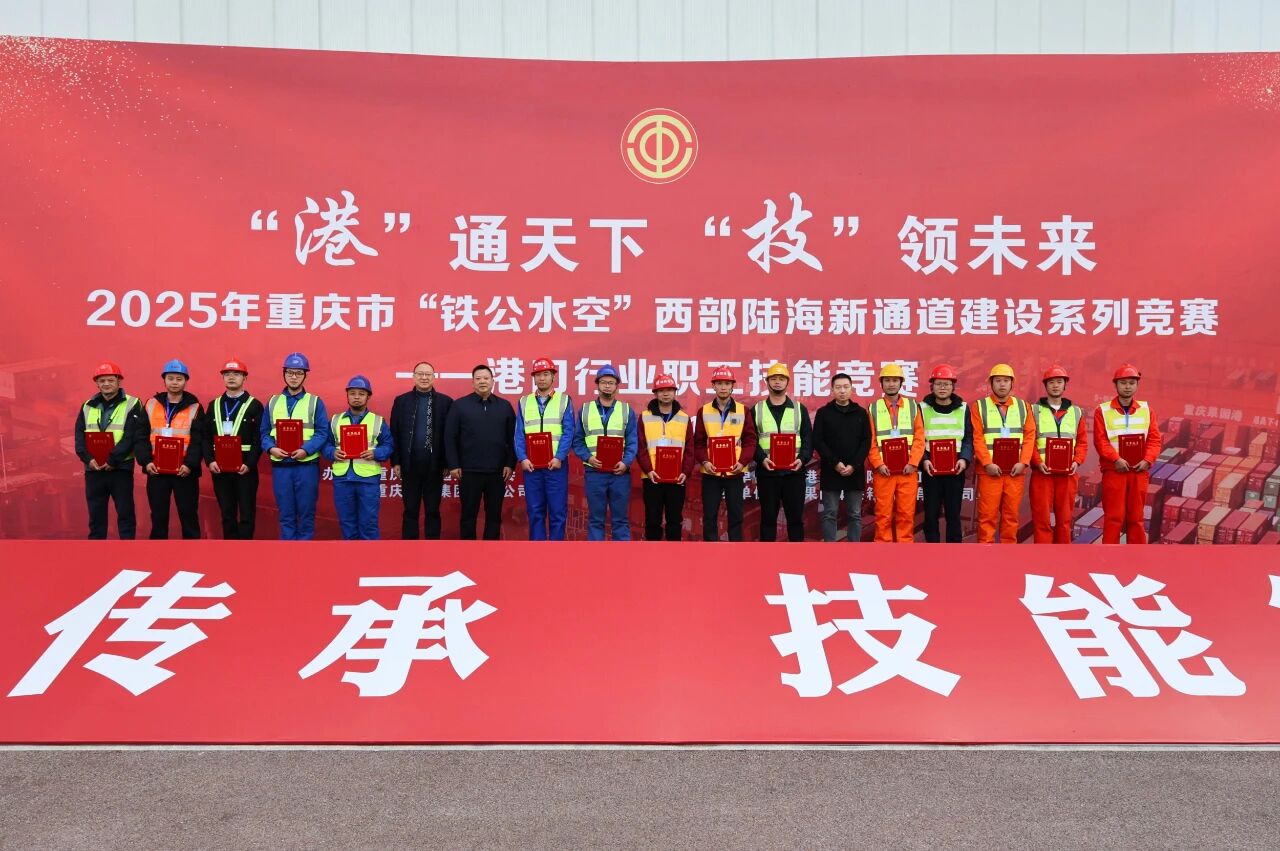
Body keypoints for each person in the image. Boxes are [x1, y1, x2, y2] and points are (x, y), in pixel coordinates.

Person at [261, 352, 331, 541]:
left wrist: (306, 450)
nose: (294, 377)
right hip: (281, 466)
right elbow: (264, 432)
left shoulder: (315, 402)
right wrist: (271, 448)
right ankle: (288, 551)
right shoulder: (273, 402)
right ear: (284, 374)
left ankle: (305, 552)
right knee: (285, 513)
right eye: (290, 372)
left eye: (299, 373)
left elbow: (322, 432)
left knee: (307, 513)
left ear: (305, 375)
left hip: (306, 466)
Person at [74, 360, 146, 540]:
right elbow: (79, 437)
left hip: (120, 468)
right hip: (93, 469)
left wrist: (112, 460)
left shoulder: (133, 403)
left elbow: (131, 436)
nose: (106, 384)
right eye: (102, 380)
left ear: (119, 381)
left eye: (110, 380)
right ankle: (96, 551)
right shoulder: (87, 406)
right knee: (96, 516)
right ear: (97, 383)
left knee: (125, 513)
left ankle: (127, 550)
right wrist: (88, 459)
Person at [444, 364, 516, 540]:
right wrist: (453, 464)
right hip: (468, 471)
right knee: (468, 515)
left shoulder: (505, 406)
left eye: (486, 378)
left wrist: (510, 464)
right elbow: (449, 437)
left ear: (492, 381)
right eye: (478, 379)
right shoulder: (459, 405)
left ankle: (491, 551)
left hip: (497, 472)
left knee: (494, 515)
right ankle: (467, 551)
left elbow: (514, 438)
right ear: (472, 382)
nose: (482, 381)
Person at [1093, 363, 1163, 544]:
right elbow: (1101, 441)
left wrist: (1148, 460)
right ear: (1115, 385)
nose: (1127, 387)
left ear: (1137, 385)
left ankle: (1136, 556)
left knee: (1136, 518)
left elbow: (1154, 440)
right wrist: (1115, 459)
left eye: (1132, 383)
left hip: (1139, 471)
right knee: (1113, 517)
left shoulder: (1147, 410)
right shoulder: (1103, 411)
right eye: (1123, 383)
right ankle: (1109, 556)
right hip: (1114, 471)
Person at [138, 359, 205, 540]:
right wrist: (146, 462)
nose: (174, 382)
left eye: (179, 379)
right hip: (156, 470)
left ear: (186, 381)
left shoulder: (195, 407)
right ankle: (157, 553)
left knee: (188, 515)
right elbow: (141, 437)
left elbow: (198, 440)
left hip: (185, 472)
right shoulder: (151, 404)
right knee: (158, 516)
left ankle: (192, 552)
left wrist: (189, 464)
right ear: (164, 380)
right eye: (170, 378)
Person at [969, 363, 1035, 544]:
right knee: (987, 517)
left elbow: (1030, 436)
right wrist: (987, 463)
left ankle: (1008, 553)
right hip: (989, 472)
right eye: (998, 380)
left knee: (1011, 517)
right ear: (991, 383)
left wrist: (1024, 462)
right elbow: (977, 437)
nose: (1002, 384)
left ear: (1012, 383)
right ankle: (986, 553)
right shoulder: (979, 406)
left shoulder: (1023, 407)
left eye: (1006, 380)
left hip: (1015, 472)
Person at [691, 366, 757, 542]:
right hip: (710, 472)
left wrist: (742, 463)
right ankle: (710, 550)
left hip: (735, 471)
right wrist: (705, 462)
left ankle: (735, 549)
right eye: (719, 383)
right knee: (709, 515)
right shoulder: (704, 411)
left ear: (732, 386)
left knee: (736, 514)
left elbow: (750, 441)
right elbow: (698, 442)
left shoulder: (743, 411)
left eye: (727, 383)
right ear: (713, 386)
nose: (723, 387)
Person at [323, 375, 394, 540]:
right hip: (343, 479)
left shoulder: (378, 421)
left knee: (369, 524)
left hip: (368, 479)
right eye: (352, 393)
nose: (356, 397)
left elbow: (389, 445)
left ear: (368, 397)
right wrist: (332, 452)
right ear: (347, 395)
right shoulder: (335, 420)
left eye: (361, 394)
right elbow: (325, 444)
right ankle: (350, 557)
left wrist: (375, 453)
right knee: (346, 524)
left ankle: (370, 557)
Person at [572, 364, 637, 541]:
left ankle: (621, 555)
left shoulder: (626, 410)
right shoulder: (585, 410)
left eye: (611, 382)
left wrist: (626, 462)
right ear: (597, 385)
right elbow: (577, 440)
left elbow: (632, 441)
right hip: (595, 472)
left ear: (617, 386)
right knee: (596, 520)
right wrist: (588, 458)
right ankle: (596, 557)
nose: (607, 386)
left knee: (620, 520)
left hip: (619, 473)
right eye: (603, 382)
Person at [389, 361, 452, 539]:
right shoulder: (401, 401)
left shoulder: (446, 402)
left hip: (435, 466)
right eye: (420, 374)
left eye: (428, 374)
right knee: (410, 509)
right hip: (409, 465)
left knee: (433, 510)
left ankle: (432, 546)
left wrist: (448, 462)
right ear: (414, 377)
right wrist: (396, 461)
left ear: (434, 377)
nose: (424, 377)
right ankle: (410, 548)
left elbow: (450, 436)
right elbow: (395, 432)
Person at [514, 358, 575, 540]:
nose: (542, 378)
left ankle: (556, 553)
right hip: (532, 467)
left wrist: (559, 457)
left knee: (557, 512)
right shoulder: (524, 401)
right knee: (535, 512)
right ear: (533, 378)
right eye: (538, 375)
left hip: (555, 466)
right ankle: (536, 552)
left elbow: (569, 432)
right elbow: (519, 433)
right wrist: (523, 458)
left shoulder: (564, 400)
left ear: (553, 376)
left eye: (546, 374)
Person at [203, 359, 264, 539]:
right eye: (227, 374)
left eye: (236, 374)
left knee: (247, 513)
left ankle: (244, 551)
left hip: (245, 469)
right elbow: (205, 437)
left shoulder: (255, 405)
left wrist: (249, 464)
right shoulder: (214, 405)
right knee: (227, 513)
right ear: (222, 377)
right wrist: (210, 461)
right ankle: (229, 549)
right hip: (220, 469)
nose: (231, 377)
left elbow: (259, 438)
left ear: (244, 378)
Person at [752, 362, 813, 542]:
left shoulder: (799, 409)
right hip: (767, 473)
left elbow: (808, 439)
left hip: (794, 473)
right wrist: (761, 458)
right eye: (773, 379)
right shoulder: (757, 409)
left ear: (787, 382)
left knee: (795, 520)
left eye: (781, 379)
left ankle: (797, 556)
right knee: (767, 520)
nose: (777, 382)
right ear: (767, 382)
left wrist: (802, 459)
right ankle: (767, 557)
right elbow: (751, 440)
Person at [1029, 364, 1089, 544]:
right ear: (1045, 385)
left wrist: (1077, 461)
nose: (1055, 385)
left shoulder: (1076, 412)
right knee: (1042, 521)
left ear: (1065, 385)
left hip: (1068, 475)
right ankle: (1043, 557)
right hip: (1042, 474)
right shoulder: (1033, 411)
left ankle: (1062, 556)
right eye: (1051, 382)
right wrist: (1037, 462)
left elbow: (1082, 442)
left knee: (1064, 521)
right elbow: (1029, 442)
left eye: (1059, 382)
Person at [865, 364, 924, 543]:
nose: (891, 384)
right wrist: (878, 464)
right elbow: (870, 441)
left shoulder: (913, 406)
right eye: (887, 380)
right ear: (881, 383)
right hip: (884, 472)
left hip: (908, 471)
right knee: (883, 513)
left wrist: (913, 463)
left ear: (901, 383)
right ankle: (882, 548)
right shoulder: (873, 408)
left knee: (906, 513)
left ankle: (904, 548)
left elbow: (919, 438)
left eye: (895, 380)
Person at [635, 374, 696, 541]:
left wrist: (685, 472)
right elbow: (641, 447)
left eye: (669, 390)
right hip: (652, 478)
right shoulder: (645, 416)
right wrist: (648, 470)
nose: (666, 393)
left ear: (675, 392)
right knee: (652, 520)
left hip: (677, 478)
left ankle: (674, 555)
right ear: (655, 393)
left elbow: (690, 449)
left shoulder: (684, 418)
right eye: (661, 390)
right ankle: (652, 555)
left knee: (674, 521)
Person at [811, 372, 870, 543]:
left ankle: (854, 551)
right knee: (829, 513)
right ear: (832, 390)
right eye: (838, 387)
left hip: (855, 471)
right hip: (831, 470)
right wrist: (835, 463)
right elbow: (818, 440)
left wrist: (853, 464)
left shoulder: (860, 413)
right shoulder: (823, 413)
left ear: (851, 389)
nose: (842, 391)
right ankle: (830, 550)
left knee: (855, 513)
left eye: (845, 387)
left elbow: (866, 441)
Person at [919, 364, 974, 544]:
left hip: (955, 469)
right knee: (931, 514)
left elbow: (968, 438)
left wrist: (964, 459)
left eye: (947, 384)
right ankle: (931, 550)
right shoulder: (922, 408)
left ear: (953, 386)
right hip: (930, 469)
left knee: (954, 514)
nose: (942, 388)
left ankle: (954, 550)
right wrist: (924, 460)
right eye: (938, 384)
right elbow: (917, 438)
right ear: (932, 386)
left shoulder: (963, 408)